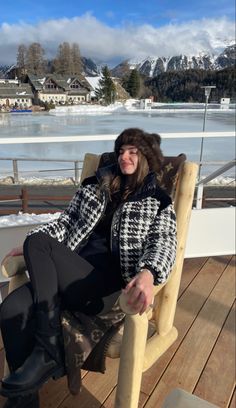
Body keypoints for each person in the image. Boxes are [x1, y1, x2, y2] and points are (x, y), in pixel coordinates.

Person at [0, 128, 177, 408]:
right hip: (71, 276)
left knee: (37, 242)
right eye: (121, 151)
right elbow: (67, 221)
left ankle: (47, 346)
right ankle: (24, 401)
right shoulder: (95, 186)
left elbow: (164, 244)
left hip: (107, 289)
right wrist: (31, 248)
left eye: (133, 152)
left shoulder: (158, 201)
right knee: (11, 308)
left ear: (146, 158)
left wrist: (148, 273)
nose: (124, 157)